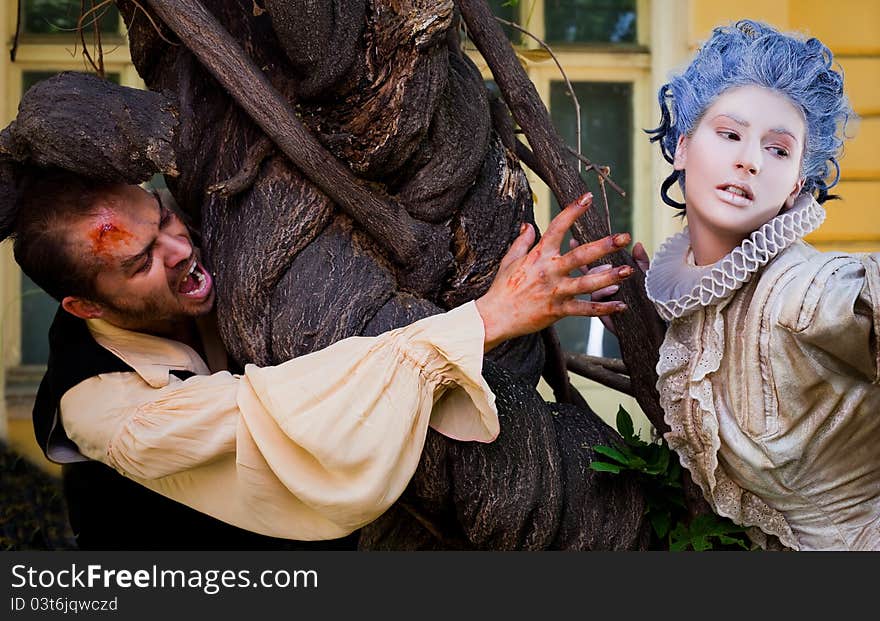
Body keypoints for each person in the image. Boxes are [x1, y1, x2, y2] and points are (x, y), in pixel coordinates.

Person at [3, 168, 633, 549]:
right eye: (140, 262)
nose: (178, 247)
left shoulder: (216, 240)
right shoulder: (98, 407)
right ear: (84, 307)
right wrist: (487, 320)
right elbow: (275, 411)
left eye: (165, 217)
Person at [642, 20, 877, 550]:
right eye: (730, 135)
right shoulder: (694, 292)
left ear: (796, 186)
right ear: (682, 147)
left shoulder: (800, 289)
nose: (749, 160)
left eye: (777, 149)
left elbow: (853, 299)